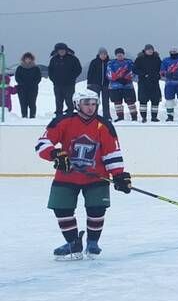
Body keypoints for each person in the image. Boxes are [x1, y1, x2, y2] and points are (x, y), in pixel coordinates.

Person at [37, 90, 132, 259]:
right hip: (66, 176)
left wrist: (118, 175)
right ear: (77, 104)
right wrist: (55, 154)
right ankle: (73, 243)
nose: (90, 107)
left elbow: (111, 153)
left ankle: (93, 243)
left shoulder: (104, 125)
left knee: (97, 209)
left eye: (94, 104)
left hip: (96, 177)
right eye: (86, 103)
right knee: (61, 209)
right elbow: (42, 143)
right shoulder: (63, 121)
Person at [47, 42, 82, 118]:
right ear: (57, 51)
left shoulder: (73, 59)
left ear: (66, 50)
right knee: (58, 100)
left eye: (63, 50)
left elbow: (78, 69)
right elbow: (50, 71)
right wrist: (54, 80)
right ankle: (58, 114)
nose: (61, 51)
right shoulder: (53, 59)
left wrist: (72, 78)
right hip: (57, 84)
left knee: (69, 99)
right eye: (60, 50)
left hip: (69, 84)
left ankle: (70, 113)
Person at [160, 47, 178, 122]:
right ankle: (170, 116)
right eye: (172, 52)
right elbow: (162, 71)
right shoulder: (165, 60)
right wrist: (167, 74)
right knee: (169, 99)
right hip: (169, 83)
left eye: (175, 52)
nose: (173, 53)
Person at [104, 48, 135, 122]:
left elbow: (133, 71)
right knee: (117, 103)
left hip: (127, 86)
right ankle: (120, 117)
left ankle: (134, 117)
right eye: (118, 54)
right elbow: (109, 73)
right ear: (116, 55)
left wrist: (127, 78)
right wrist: (117, 79)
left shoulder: (129, 62)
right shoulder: (111, 63)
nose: (120, 56)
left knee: (131, 102)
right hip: (115, 87)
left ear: (123, 55)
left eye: (121, 54)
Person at [14, 52, 41, 119]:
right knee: (23, 103)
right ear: (23, 59)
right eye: (26, 59)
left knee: (32, 103)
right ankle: (24, 116)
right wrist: (22, 83)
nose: (28, 60)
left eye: (29, 59)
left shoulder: (36, 68)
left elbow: (38, 78)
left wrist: (33, 84)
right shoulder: (19, 68)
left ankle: (32, 116)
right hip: (22, 88)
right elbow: (17, 77)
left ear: (32, 59)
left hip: (33, 89)